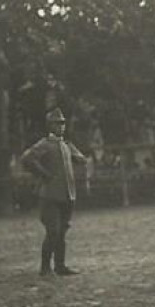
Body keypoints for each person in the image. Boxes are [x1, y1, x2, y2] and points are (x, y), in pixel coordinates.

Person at [21, 108, 91, 276]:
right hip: (50, 195)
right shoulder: (45, 144)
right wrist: (43, 173)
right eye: (57, 123)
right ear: (49, 125)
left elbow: (81, 159)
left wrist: (79, 158)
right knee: (53, 231)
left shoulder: (66, 145)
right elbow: (27, 159)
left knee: (62, 231)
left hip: (68, 194)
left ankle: (60, 266)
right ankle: (45, 268)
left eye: (63, 123)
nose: (61, 126)